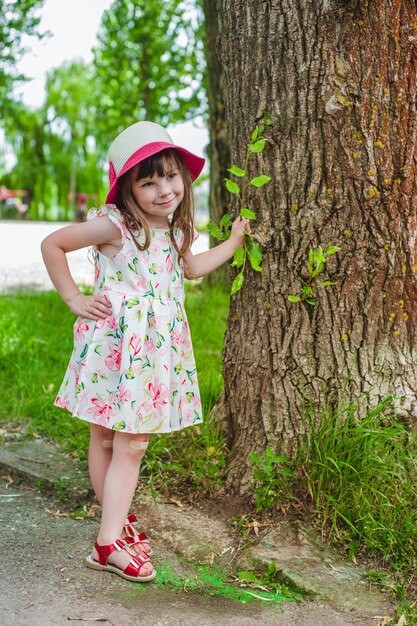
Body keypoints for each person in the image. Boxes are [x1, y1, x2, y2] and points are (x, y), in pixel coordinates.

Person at [41, 120, 250, 583]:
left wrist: (233, 243)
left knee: (118, 441)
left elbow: (192, 268)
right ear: (127, 189)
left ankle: (112, 528)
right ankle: (108, 542)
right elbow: (53, 243)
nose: (163, 189)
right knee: (122, 441)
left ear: (184, 178)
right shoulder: (115, 225)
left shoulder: (176, 230)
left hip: (153, 350)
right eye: (148, 180)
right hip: (116, 346)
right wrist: (74, 298)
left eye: (171, 176)